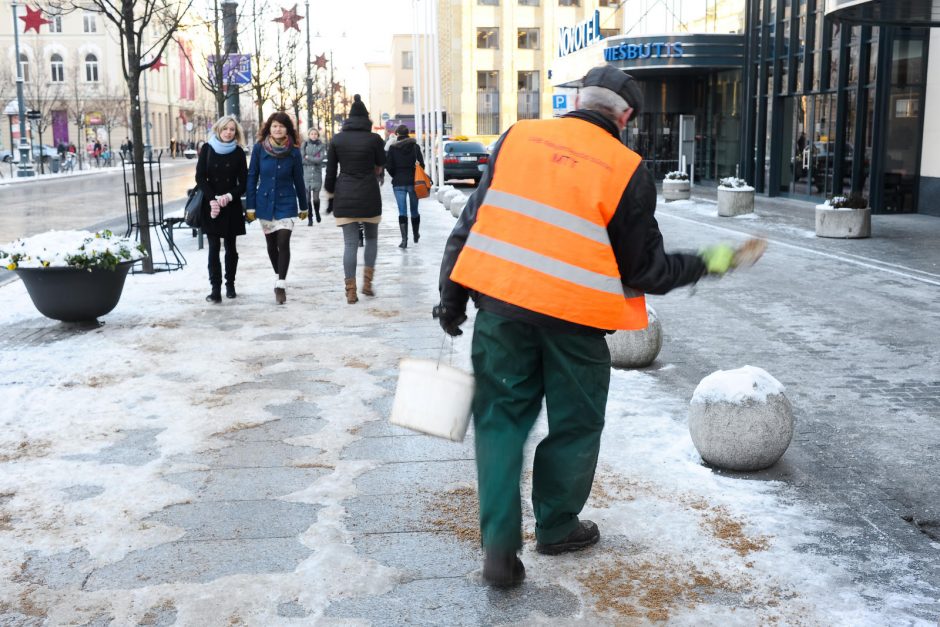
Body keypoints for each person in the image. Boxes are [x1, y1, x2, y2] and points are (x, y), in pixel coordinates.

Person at [435, 64, 737, 587]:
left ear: (577, 100)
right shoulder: (627, 168)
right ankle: (556, 526)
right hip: (576, 324)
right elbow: (646, 270)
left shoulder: (517, 138)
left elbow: (473, 220)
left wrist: (451, 297)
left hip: (502, 311)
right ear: (625, 116)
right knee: (575, 424)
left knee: (500, 424)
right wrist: (708, 261)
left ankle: (500, 547)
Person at [324, 94, 386, 304]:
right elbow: (381, 163)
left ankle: (350, 291)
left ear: (349, 118)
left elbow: (331, 172)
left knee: (350, 244)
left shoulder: (337, 139)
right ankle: (367, 284)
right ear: (366, 118)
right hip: (369, 194)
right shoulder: (374, 139)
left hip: (345, 194)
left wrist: (330, 196)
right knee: (371, 239)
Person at [245, 111, 307, 305]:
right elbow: (252, 177)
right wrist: (250, 206)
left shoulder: (294, 151)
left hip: (287, 202)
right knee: (271, 245)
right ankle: (278, 273)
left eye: (281, 126)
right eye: (274, 126)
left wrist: (304, 206)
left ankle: (280, 284)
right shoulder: (259, 149)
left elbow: (298, 180)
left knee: (283, 242)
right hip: (265, 203)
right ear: (268, 129)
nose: (277, 129)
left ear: (287, 129)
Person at [196, 115, 248, 303]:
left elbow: (244, 182)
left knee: (231, 248)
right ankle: (215, 289)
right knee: (213, 248)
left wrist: (229, 196)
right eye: (225, 129)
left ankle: (230, 284)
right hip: (211, 206)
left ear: (236, 132)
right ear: (218, 130)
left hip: (230, 205)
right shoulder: (207, 149)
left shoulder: (239, 152)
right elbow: (200, 177)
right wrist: (212, 199)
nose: (228, 132)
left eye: (232, 129)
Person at [385, 124, 425, 248]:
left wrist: (396, 175)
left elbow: (389, 166)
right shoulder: (415, 147)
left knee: (402, 211)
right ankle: (416, 234)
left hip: (398, 183)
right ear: (408, 133)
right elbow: (422, 165)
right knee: (414, 210)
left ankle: (404, 240)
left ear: (397, 134)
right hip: (414, 182)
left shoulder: (392, 148)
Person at [300, 128, 326, 225]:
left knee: (315, 198)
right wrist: (312, 159)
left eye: (315, 134)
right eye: (312, 134)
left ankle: (317, 213)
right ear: (309, 135)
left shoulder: (321, 146)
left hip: (316, 176)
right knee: (307, 199)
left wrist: (308, 157)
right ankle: (310, 218)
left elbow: (320, 160)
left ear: (318, 135)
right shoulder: (304, 144)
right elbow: (302, 159)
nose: (314, 135)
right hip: (306, 175)